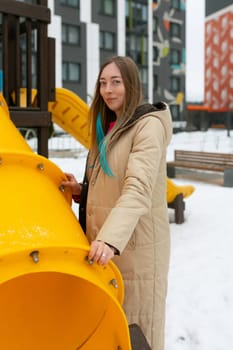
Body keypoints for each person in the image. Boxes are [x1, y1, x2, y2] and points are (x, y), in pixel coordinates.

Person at [61, 56, 173, 350]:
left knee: (135, 333)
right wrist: (82, 191)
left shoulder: (147, 126)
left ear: (131, 83)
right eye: (102, 83)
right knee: (109, 331)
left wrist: (109, 239)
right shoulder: (109, 126)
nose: (107, 90)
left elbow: (137, 188)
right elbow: (113, 181)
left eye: (116, 82)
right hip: (109, 251)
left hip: (135, 251)